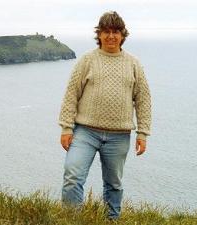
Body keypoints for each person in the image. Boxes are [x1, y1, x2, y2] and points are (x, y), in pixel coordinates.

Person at [58, 11, 151, 220]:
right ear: (99, 34)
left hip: (119, 135)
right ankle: (71, 221)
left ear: (122, 35)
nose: (111, 36)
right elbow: (72, 93)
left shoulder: (133, 63)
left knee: (114, 185)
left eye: (116, 32)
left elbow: (143, 99)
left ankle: (111, 221)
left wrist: (143, 134)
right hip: (85, 132)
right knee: (73, 177)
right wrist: (66, 127)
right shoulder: (87, 60)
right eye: (106, 31)